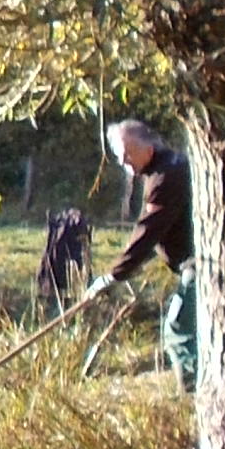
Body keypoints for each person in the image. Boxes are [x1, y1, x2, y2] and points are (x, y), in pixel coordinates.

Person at [88, 120, 197, 390]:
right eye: (118, 156)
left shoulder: (165, 177)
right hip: (193, 262)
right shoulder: (167, 166)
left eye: (127, 153)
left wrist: (113, 276)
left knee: (178, 331)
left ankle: (197, 392)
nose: (123, 161)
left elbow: (149, 231)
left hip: (202, 264)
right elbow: (158, 232)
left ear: (148, 149)